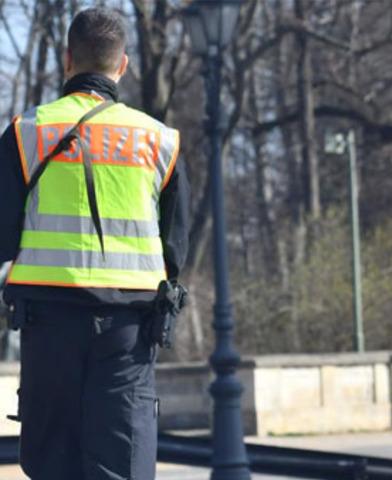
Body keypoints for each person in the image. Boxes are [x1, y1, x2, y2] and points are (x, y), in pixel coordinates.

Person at [0, 8, 189, 480]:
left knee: (52, 465)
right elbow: (175, 249)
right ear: (122, 65)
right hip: (130, 329)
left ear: (67, 60)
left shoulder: (26, 134)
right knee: (121, 465)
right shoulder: (158, 140)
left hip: (47, 323)